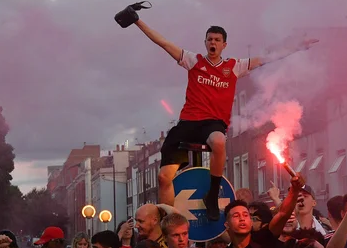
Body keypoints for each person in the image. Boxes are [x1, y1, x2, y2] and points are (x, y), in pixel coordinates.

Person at [134, 18, 317, 219]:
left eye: (217, 40)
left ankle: (212, 195)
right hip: (188, 122)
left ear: (224, 45)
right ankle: (166, 223)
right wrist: (137, 22)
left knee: (219, 141)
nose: (213, 43)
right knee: (163, 177)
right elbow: (164, 43)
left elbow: (266, 58)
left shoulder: (234, 66)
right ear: (205, 42)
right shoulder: (194, 61)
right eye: (209, 39)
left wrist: (297, 47)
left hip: (213, 123)